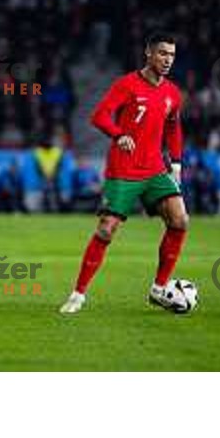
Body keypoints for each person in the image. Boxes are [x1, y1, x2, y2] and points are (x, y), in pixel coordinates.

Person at [59, 32, 188, 314]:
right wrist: (118, 135)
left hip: (155, 168)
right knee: (107, 229)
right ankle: (78, 294)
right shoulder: (127, 85)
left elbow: (174, 128)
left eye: (172, 55)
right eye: (163, 53)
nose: (168, 60)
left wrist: (176, 164)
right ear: (149, 53)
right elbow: (99, 115)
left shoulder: (172, 93)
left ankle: (159, 288)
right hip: (124, 169)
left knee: (180, 220)